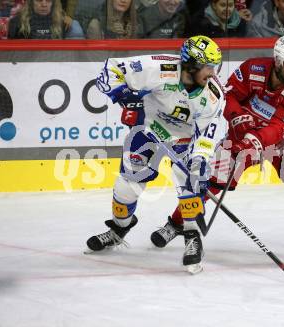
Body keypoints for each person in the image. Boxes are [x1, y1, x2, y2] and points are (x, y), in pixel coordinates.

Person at [152, 36, 284, 261]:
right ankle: (176, 223)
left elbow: (279, 128)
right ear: (278, 61)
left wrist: (254, 140)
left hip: (280, 138)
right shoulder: (253, 68)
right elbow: (227, 96)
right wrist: (237, 116)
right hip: (241, 133)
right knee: (212, 180)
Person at [86, 35, 227, 274]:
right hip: (148, 131)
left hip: (186, 140)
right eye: (208, 67)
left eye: (215, 67)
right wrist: (123, 94)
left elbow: (209, 131)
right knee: (126, 188)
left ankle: (192, 237)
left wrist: (201, 158)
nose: (213, 74)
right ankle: (119, 229)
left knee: (191, 186)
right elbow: (112, 69)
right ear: (191, 65)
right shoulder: (159, 67)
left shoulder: (212, 95)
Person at [7, 0, 84, 39]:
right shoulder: (16, 23)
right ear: (31, 3)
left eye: (48, 0)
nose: (44, 4)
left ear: (53, 3)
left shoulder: (61, 22)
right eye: (39, 0)